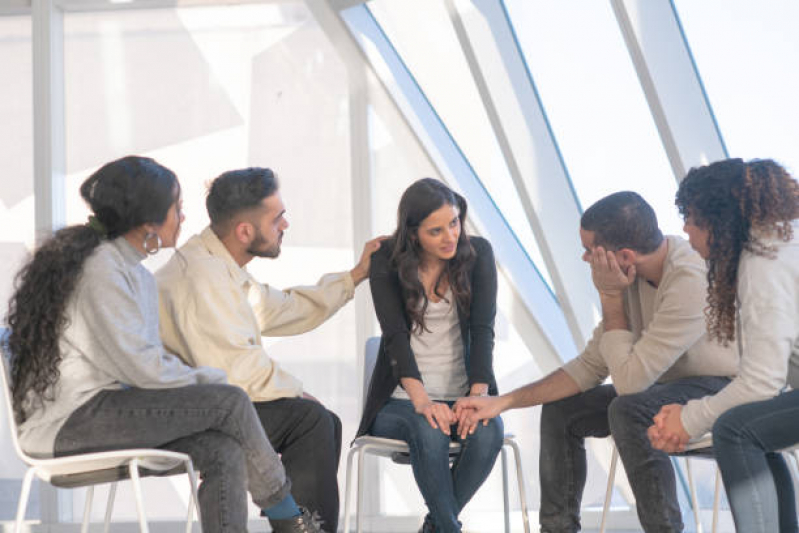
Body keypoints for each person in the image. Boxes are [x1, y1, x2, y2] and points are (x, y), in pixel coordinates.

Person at [4, 156, 324, 533]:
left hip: (105, 409)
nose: (184, 218)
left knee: (223, 449)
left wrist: (206, 381)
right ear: (148, 222)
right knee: (230, 401)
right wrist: (214, 380)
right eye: (177, 209)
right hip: (71, 423)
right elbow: (143, 367)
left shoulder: (133, 272)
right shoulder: (102, 269)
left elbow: (145, 365)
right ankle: (289, 518)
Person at [455, 191, 740, 533]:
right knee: (563, 410)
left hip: (721, 387)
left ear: (623, 255)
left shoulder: (689, 279)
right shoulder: (629, 277)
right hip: (665, 387)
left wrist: (609, 297)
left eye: (590, 250)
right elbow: (591, 365)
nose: (584, 257)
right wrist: (503, 402)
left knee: (628, 408)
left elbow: (630, 385)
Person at [156, 167, 383, 533]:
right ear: (245, 231)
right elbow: (237, 370)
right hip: (185, 417)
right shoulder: (203, 277)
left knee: (319, 420)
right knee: (310, 421)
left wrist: (355, 275)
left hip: (213, 402)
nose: (286, 224)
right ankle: (303, 527)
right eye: (277, 218)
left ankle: (300, 524)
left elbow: (282, 308)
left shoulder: (219, 264)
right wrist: (297, 391)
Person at [648, 158, 799, 533]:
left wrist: (689, 418)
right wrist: (689, 416)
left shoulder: (765, 265)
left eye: (691, 216)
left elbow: (761, 385)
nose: (684, 228)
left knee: (736, 430)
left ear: (718, 221)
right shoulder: (776, 246)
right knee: (752, 427)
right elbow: (765, 386)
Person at [355, 178, 504, 533]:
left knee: (489, 431)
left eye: (454, 223)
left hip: (462, 393)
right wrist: (421, 401)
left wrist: (478, 397)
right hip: (400, 400)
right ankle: (447, 528)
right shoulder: (385, 260)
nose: (450, 236)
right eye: (435, 230)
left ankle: (436, 526)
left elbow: (484, 330)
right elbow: (394, 338)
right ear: (413, 234)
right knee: (430, 429)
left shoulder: (478, 254)